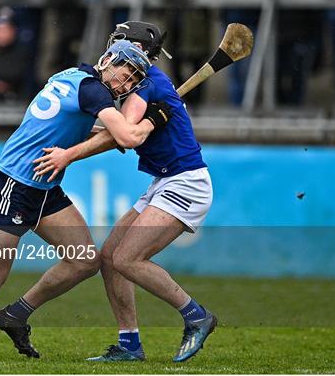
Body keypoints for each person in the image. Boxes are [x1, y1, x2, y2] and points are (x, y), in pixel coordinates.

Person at [0, 39, 172, 358]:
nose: (127, 80)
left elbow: (83, 129)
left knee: (84, 260)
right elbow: (124, 136)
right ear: (108, 59)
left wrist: (116, 133)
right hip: (15, 187)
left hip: (44, 187)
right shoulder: (94, 91)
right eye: (125, 69)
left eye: (134, 76)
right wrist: (153, 119)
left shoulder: (71, 76)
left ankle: (17, 313)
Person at [33, 21, 216, 363]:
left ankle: (196, 316)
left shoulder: (147, 84)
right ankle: (130, 344)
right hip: (163, 181)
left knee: (128, 258)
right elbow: (118, 130)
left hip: (185, 182)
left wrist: (68, 154)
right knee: (110, 258)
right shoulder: (142, 85)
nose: (113, 49)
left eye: (120, 42)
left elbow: (125, 134)